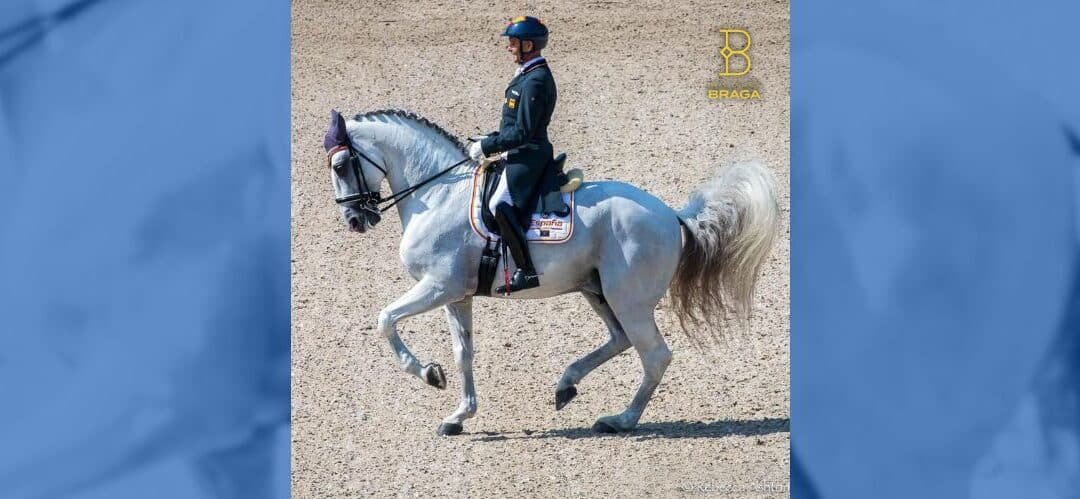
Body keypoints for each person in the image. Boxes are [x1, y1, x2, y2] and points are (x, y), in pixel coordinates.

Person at [468, 15, 557, 294]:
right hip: (518, 150)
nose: (509, 47)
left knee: (498, 204)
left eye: (513, 42)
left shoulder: (536, 81)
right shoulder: (528, 74)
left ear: (528, 45)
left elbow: (524, 132)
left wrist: (488, 146)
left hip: (529, 154)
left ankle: (526, 270)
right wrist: (491, 138)